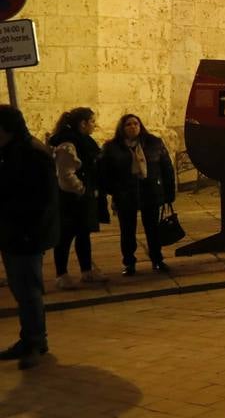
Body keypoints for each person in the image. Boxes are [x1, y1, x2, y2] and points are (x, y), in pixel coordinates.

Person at [0, 105, 59, 369]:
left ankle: (36, 342)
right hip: (11, 232)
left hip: (27, 234)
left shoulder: (33, 153)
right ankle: (28, 338)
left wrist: (27, 232)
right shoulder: (9, 151)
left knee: (29, 289)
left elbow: (42, 201)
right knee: (20, 288)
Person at [98, 114, 175, 277]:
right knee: (127, 231)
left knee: (152, 229)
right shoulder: (112, 147)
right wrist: (114, 190)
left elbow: (166, 168)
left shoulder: (154, 143)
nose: (133, 127)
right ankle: (129, 262)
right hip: (125, 194)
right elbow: (104, 173)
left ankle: (157, 259)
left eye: (136, 123)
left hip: (150, 192)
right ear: (122, 128)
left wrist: (169, 193)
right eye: (128, 124)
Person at [47, 108, 109, 289]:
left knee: (83, 233)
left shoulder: (84, 141)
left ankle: (87, 270)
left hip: (83, 197)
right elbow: (66, 174)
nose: (95, 125)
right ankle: (62, 274)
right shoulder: (68, 144)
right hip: (70, 199)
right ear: (82, 123)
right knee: (65, 236)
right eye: (92, 121)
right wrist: (81, 189)